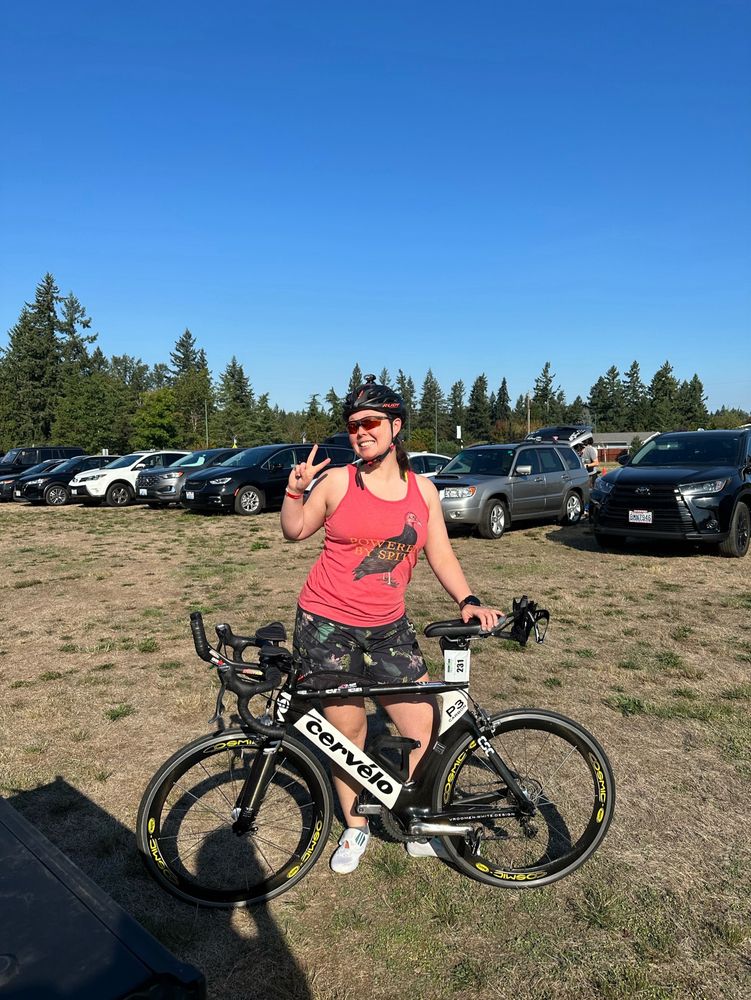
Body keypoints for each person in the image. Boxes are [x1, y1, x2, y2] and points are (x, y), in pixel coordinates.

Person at [280, 374, 501, 874]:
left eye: (371, 422)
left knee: (420, 722)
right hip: (326, 622)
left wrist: (466, 597)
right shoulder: (338, 481)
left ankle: (417, 818)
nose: (361, 432)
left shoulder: (422, 490)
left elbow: (438, 549)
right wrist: (294, 493)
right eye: (354, 424)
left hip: (387, 624)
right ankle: (355, 828)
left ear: (395, 426)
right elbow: (294, 532)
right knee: (347, 730)